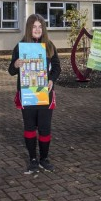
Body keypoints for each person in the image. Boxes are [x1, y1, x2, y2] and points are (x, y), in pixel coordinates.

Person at [9, 14, 62, 174]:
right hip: (28, 94)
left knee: (45, 128)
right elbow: (11, 71)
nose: (37, 30)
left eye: (40, 27)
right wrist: (16, 64)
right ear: (29, 29)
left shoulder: (49, 46)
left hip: (45, 94)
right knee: (30, 128)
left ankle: (44, 159)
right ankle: (33, 159)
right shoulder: (21, 46)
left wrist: (52, 80)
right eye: (34, 27)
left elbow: (57, 67)